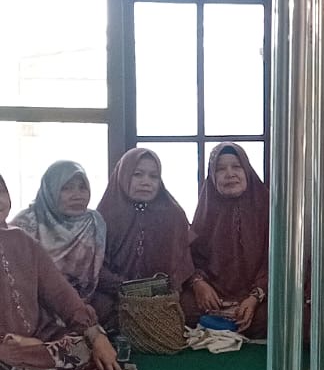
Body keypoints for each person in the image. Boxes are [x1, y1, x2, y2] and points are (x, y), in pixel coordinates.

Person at [0, 172, 124, 370]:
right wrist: (12, 343)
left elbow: (60, 293)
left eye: (1, 192)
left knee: (81, 348)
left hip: (38, 342)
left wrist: (95, 335)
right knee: (8, 369)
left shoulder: (23, 240)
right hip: (6, 351)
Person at [94, 149, 195, 328]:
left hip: (161, 296)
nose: (146, 182)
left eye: (153, 176)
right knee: (98, 309)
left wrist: (164, 289)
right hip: (116, 293)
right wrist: (127, 288)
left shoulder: (173, 214)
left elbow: (182, 262)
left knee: (191, 308)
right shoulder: (106, 214)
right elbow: (94, 266)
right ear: (123, 175)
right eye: (137, 174)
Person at [190, 144, 269, 339]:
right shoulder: (206, 209)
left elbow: (277, 261)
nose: (229, 174)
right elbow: (190, 256)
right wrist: (199, 284)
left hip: (258, 298)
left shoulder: (267, 208)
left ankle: (227, 322)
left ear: (247, 171)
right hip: (214, 297)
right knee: (184, 307)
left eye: (236, 166)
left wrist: (255, 297)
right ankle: (223, 320)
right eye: (220, 169)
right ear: (212, 177)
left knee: (274, 315)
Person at [10, 160, 106, 302]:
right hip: (35, 303)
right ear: (50, 190)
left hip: (83, 302)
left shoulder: (94, 221)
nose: (77, 195)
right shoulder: (26, 222)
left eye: (82, 188)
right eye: (66, 188)